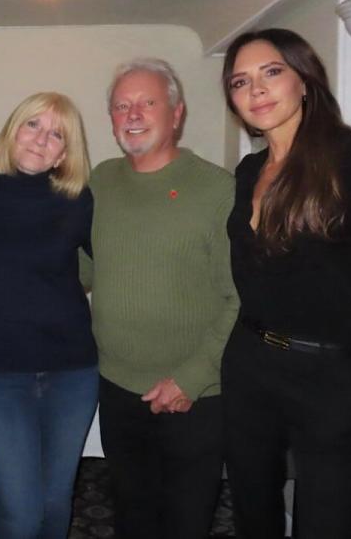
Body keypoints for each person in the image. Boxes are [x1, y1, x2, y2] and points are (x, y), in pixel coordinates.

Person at [219, 28, 351, 539]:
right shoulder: (248, 172)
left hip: (331, 376)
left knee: (326, 524)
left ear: (304, 80)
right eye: (241, 82)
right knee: (253, 514)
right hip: (251, 364)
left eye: (272, 73)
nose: (256, 90)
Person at [81, 58, 241, 539]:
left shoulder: (218, 190)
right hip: (115, 387)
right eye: (120, 105)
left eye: (147, 102)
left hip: (193, 397)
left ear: (177, 113)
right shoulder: (100, 182)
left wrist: (191, 378)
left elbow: (241, 299)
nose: (132, 113)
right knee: (131, 516)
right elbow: (84, 269)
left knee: (184, 522)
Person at [0, 92, 97, 538]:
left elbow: (125, 262)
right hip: (3, 375)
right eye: (33, 125)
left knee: (55, 504)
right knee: (21, 512)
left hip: (73, 372)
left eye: (56, 134)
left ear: (65, 151)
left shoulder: (79, 200)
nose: (42, 139)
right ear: (13, 129)